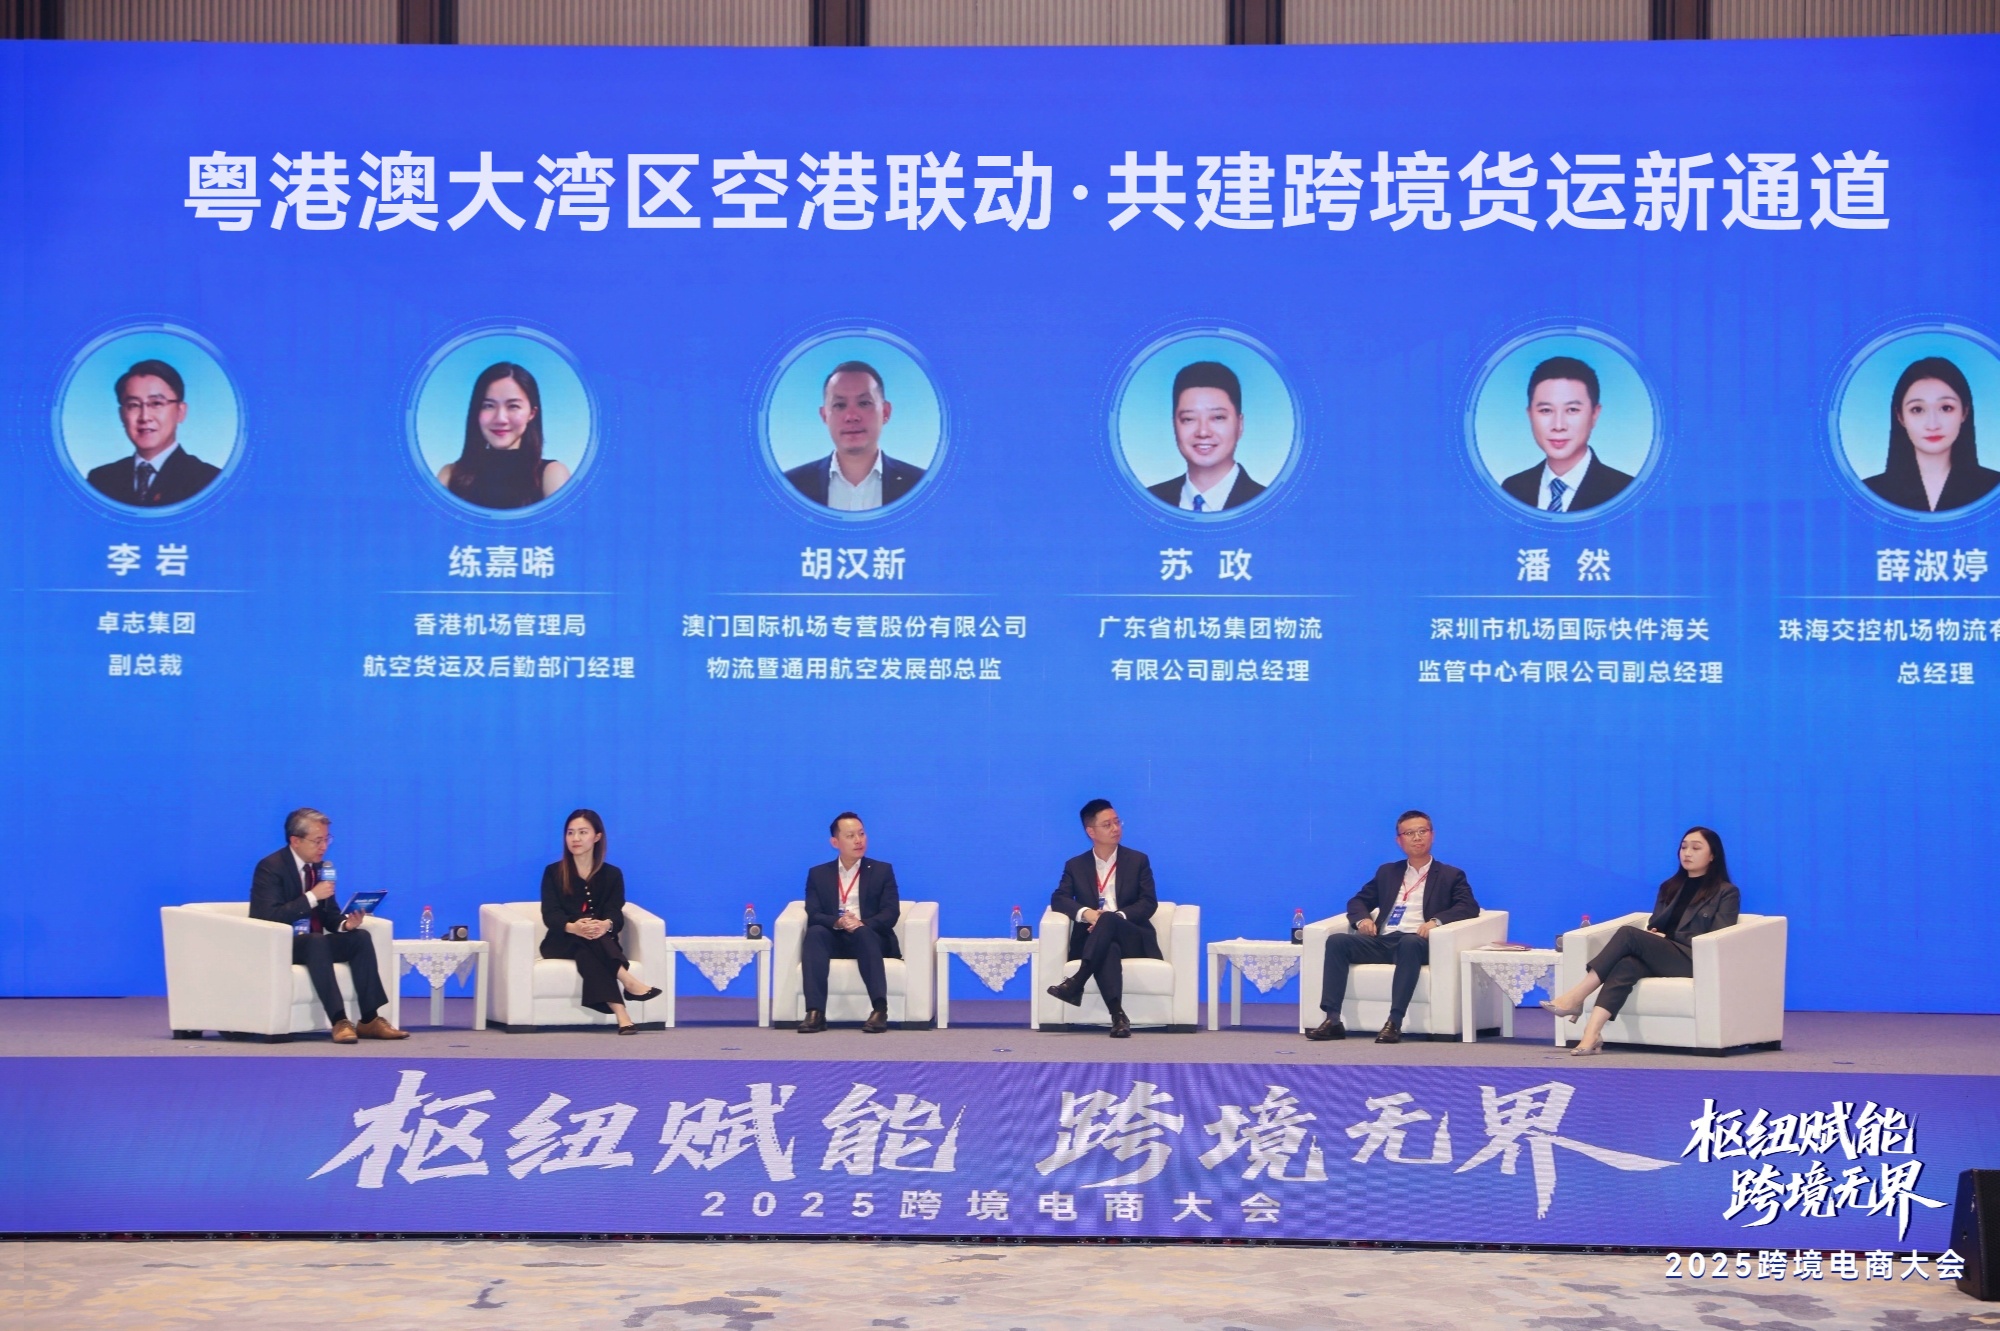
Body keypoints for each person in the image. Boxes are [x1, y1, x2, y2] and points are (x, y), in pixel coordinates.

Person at [1542, 826, 1741, 1056]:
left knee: (1628, 934)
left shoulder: (1726, 892)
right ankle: (1591, 1034)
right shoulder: (1670, 887)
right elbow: (1656, 923)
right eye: (1684, 847)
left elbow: (1719, 935)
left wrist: (1670, 937)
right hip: (1664, 954)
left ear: (1713, 855)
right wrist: (1655, 933)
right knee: (1627, 964)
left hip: (1693, 958)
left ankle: (1577, 997)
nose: (1687, 853)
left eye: (1696, 848)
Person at [1305, 810, 1480, 1044]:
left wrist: (1436, 921)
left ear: (1432, 835)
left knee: (1409, 942)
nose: (1417, 837)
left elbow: (1468, 906)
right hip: (1383, 940)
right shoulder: (1388, 872)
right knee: (1338, 941)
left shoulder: (1451, 875)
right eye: (1409, 833)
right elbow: (1358, 901)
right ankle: (1333, 1020)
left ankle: (1394, 1022)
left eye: (1422, 831)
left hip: (1418, 943)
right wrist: (1363, 920)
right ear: (1399, 840)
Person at [248, 808, 407, 1043]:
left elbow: (329, 916)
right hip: (281, 945)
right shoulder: (271, 868)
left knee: (360, 938)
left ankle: (370, 1019)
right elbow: (267, 917)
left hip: (315, 945)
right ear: (295, 841)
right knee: (316, 941)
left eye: (327, 839)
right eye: (318, 841)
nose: (324, 847)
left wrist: (346, 924)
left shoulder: (321, 869)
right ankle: (339, 1020)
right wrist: (312, 896)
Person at [1044, 799, 1160, 1038]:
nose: (1115, 828)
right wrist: (1087, 914)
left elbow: (1148, 902)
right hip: (1095, 942)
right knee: (1108, 947)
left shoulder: (1138, 860)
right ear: (1091, 832)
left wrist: (1114, 918)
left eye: (1117, 822)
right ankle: (1118, 1017)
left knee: (1107, 920)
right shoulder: (1075, 865)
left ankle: (1077, 982)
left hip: (1132, 936)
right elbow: (1059, 898)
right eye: (1107, 825)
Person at [538, 809, 660, 1034]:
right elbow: (550, 914)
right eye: (570, 833)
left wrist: (605, 925)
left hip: (598, 940)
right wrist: (573, 927)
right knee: (588, 937)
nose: (575, 838)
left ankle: (622, 1016)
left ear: (597, 836)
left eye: (582, 832)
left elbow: (616, 914)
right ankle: (628, 981)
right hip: (561, 941)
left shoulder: (612, 874)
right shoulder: (553, 872)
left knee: (589, 947)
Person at [797, 811, 901, 1033]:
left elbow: (891, 913)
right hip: (835, 936)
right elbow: (813, 913)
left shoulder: (882, 871)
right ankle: (815, 1012)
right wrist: (839, 922)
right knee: (815, 933)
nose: (858, 840)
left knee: (863, 932)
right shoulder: (818, 874)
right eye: (850, 835)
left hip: (870, 937)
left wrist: (862, 923)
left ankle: (879, 1010)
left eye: (861, 834)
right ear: (835, 842)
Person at [1863, 356, 2000, 513]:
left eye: (1946, 408)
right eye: (1917, 409)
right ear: (1900, 417)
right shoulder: (1868, 493)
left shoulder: (1995, 487)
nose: (1933, 424)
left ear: (1965, 412)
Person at [784, 361, 925, 510]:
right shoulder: (790, 487)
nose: (851, 416)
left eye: (864, 403)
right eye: (840, 405)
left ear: (885, 412)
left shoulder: (920, 486)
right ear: (824, 416)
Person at [1500, 356, 1633, 514]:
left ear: (1594, 414)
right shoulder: (1513, 488)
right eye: (1546, 410)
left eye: (1572, 410)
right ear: (1530, 415)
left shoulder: (1626, 492)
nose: (1558, 426)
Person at [86, 359, 223, 507]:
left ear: (180, 412)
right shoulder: (100, 480)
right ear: (121, 415)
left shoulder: (209, 481)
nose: (144, 417)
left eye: (156, 403)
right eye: (133, 405)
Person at [437, 362, 570, 509]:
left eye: (513, 406)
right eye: (489, 405)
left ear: (532, 413)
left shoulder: (551, 475)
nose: (500, 419)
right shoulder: (449, 476)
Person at [1145, 361, 1266, 512]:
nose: (1203, 432)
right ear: (1174, 425)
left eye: (1218, 417)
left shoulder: (1270, 505)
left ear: (1240, 425)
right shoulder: (1147, 502)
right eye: (1189, 419)